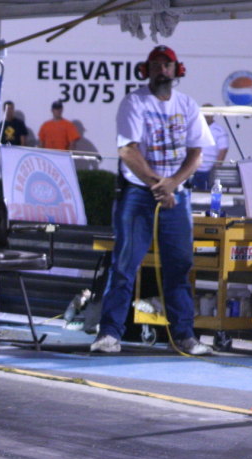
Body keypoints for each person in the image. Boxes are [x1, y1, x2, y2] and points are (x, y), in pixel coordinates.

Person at [91, 45, 213, 356]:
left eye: (167, 65)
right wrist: (157, 185)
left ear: (177, 70)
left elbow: (196, 153)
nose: (162, 70)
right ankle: (109, 334)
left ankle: (184, 336)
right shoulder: (134, 103)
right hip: (139, 195)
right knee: (124, 264)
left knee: (179, 266)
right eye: (156, 64)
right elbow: (127, 151)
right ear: (146, 70)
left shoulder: (187, 105)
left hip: (176, 195)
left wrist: (173, 183)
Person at [191, 104, 229, 191]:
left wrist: (216, 166)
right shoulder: (195, 128)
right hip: (194, 168)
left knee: (206, 194)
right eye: (204, 114)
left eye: (208, 114)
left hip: (210, 169)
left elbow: (223, 150)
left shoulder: (219, 131)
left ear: (212, 115)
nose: (206, 116)